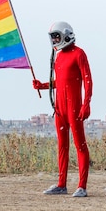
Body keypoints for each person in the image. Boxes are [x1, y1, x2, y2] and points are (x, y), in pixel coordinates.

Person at [33, 21, 93, 198]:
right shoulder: (58, 56)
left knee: (80, 145)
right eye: (53, 37)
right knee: (62, 146)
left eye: (57, 36)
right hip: (59, 108)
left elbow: (88, 80)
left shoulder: (79, 54)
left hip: (74, 108)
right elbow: (60, 82)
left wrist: (86, 104)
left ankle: (82, 186)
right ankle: (61, 184)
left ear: (66, 35)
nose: (55, 40)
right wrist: (43, 85)